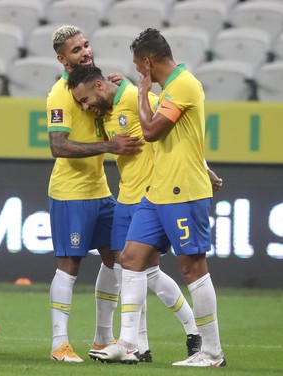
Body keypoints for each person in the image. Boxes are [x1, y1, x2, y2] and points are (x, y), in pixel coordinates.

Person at [67, 65, 226, 362]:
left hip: (154, 194)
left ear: (100, 87)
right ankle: (138, 346)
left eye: (86, 99)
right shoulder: (103, 113)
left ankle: (187, 333)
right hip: (126, 197)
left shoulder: (134, 98)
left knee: (144, 269)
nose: (85, 107)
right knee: (131, 268)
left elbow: (177, 134)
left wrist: (206, 170)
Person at [46, 25, 143, 363]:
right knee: (70, 264)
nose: (85, 52)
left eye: (86, 45)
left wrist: (124, 86)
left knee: (117, 259)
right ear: (62, 58)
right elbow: (57, 146)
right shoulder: (61, 94)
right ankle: (60, 344)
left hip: (100, 190)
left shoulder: (95, 83)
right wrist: (109, 145)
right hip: (71, 193)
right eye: (76, 50)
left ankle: (103, 338)